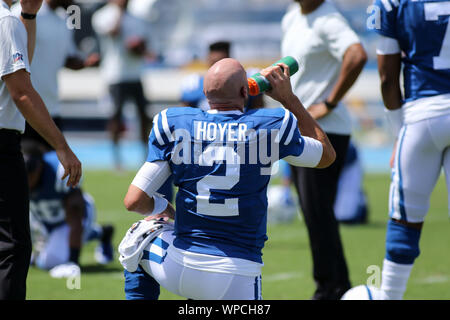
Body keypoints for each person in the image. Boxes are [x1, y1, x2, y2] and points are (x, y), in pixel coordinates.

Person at [119, 58, 336, 300]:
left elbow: (134, 201)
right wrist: (289, 99)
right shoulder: (270, 126)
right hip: (239, 276)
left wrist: (166, 210)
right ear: (246, 91)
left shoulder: (174, 123)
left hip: (180, 265)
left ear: (204, 92)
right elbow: (326, 155)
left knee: (137, 238)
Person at [281, 0, 368, 299]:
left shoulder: (328, 19)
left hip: (326, 130)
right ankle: (334, 284)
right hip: (299, 127)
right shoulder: (293, 16)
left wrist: (329, 102)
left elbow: (357, 55)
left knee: (317, 210)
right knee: (313, 210)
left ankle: (330, 287)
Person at [0, 0, 81, 300]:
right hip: (3, 142)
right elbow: (21, 91)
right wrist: (62, 147)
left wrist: (29, 16)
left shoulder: (12, 20)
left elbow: (23, 65)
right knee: (13, 247)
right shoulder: (5, 20)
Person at [370, 0, 450, 300]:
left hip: (422, 116)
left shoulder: (391, 3)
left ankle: (390, 296)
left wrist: (398, 132)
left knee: (405, 218)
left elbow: (387, 78)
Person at [12, 0, 100, 150]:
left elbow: (66, 58)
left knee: (51, 168)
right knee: (27, 165)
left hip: (51, 108)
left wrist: (86, 63)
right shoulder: (19, 13)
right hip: (23, 107)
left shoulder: (64, 18)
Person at [23, 142, 114, 278]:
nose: (27, 179)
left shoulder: (59, 171)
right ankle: (99, 232)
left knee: (50, 262)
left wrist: (73, 261)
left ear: (39, 166)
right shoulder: (12, 174)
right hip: (39, 216)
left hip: (70, 219)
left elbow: (76, 215)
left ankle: (99, 233)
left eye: (30, 173)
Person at [92, 0, 153, 170]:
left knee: (143, 116)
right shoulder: (103, 15)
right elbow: (113, 33)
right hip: (114, 75)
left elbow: (143, 44)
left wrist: (139, 48)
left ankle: (145, 155)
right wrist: (119, 12)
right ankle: (116, 158)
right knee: (116, 118)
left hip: (135, 74)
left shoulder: (137, 18)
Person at [180, 41, 264, 111]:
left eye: (221, 62)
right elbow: (186, 118)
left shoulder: (247, 80)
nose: (217, 68)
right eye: (213, 63)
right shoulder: (193, 84)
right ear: (208, 61)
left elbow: (259, 115)